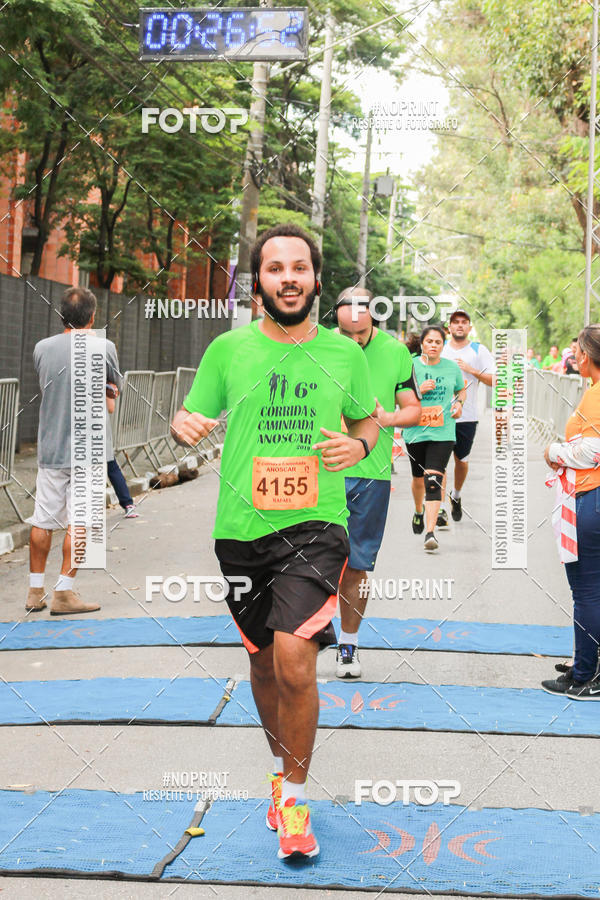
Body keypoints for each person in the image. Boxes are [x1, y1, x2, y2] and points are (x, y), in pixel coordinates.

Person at [170, 223, 378, 859]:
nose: (288, 277)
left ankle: (294, 797)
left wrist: (361, 442)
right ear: (257, 282)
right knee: (262, 660)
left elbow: (368, 415)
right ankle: (280, 769)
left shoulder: (346, 354)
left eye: (300, 267)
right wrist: (183, 425)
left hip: (315, 527)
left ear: (316, 279)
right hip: (240, 533)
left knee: (295, 656)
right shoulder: (228, 351)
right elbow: (189, 416)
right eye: (274, 268)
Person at [333, 290, 421, 678]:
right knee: (309, 560)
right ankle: (302, 635)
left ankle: (348, 645)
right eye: (346, 308)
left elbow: (414, 410)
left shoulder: (396, 352)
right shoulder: (317, 345)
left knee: (356, 564)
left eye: (362, 308)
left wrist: (386, 418)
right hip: (321, 470)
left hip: (370, 473)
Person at [25, 287, 122, 615]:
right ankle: (64, 593)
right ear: (93, 317)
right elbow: (111, 401)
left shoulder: (41, 349)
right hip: (90, 451)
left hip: (51, 447)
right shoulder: (104, 348)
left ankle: (34, 591)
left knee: (43, 520)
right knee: (80, 522)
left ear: (61, 315)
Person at [541, 326, 600, 699]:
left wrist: (554, 452)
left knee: (586, 592)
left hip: (590, 496)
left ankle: (586, 674)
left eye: (577, 351)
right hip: (588, 495)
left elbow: (593, 451)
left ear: (589, 355)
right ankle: (585, 668)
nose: (573, 357)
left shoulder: (596, 394)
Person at [403, 324, 466, 550]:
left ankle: (430, 533)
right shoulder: (409, 366)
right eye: (429, 341)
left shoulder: (451, 368)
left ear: (443, 345)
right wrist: (419, 390)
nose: (433, 345)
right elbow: (398, 396)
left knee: (433, 481)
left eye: (438, 342)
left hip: (443, 432)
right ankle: (418, 511)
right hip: (415, 431)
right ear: (422, 344)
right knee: (419, 478)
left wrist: (458, 404)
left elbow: (461, 389)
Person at [439, 310, 495, 524]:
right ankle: (441, 508)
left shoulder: (478, 350)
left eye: (464, 323)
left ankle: (456, 494)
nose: (459, 326)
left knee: (461, 461)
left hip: (468, 416)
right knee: (441, 461)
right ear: (449, 327)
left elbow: (494, 380)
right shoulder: (440, 348)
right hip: (441, 416)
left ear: (469, 328)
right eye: (455, 323)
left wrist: (472, 370)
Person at [105, 383, 138, 517]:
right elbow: (111, 408)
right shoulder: (101, 375)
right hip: (96, 430)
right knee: (111, 467)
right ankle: (128, 504)